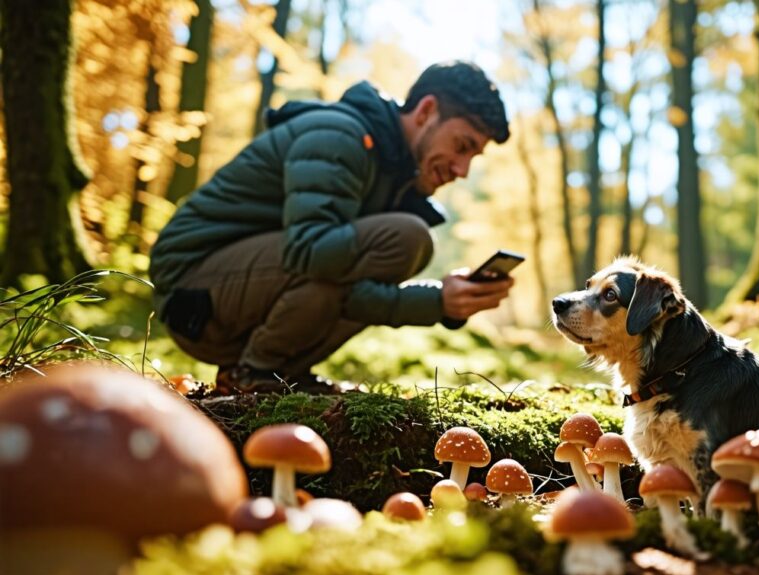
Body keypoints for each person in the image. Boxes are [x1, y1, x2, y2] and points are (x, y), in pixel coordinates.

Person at [149, 61, 513, 394]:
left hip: (234, 292)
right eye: (461, 146)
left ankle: (277, 374)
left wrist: (443, 303)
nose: (462, 169)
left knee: (405, 244)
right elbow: (311, 256)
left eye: (473, 156)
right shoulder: (340, 137)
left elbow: (339, 281)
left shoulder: (392, 174)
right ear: (426, 111)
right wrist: (433, 303)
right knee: (407, 238)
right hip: (192, 294)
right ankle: (255, 374)